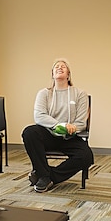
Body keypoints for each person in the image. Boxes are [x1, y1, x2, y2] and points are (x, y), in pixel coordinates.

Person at [22, 58, 93, 193]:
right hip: (48, 134)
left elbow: (81, 122)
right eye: (56, 67)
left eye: (63, 66)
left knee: (86, 156)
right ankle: (44, 175)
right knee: (29, 132)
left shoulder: (80, 94)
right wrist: (60, 125)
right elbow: (39, 116)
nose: (60, 68)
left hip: (70, 137)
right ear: (52, 74)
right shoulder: (44, 93)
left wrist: (72, 128)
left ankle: (47, 176)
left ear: (68, 74)